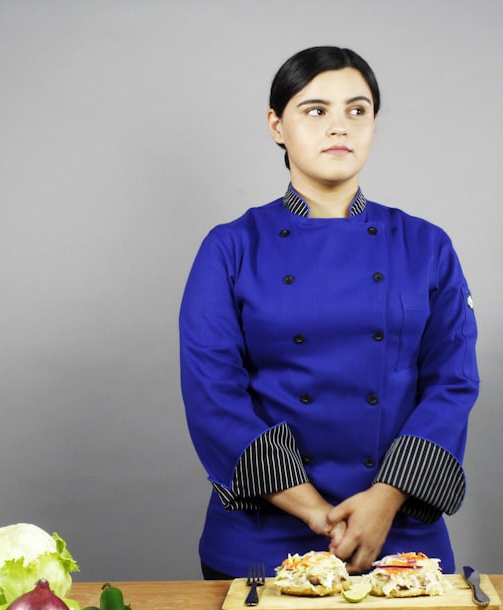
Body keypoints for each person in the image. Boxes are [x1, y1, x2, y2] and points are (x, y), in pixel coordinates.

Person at [179, 46, 479, 580]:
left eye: (356, 111)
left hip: (400, 534)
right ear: (277, 125)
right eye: (315, 110)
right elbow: (213, 396)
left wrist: (382, 502)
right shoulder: (229, 248)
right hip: (261, 539)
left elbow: (452, 385)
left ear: (373, 125)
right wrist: (319, 514)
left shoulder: (426, 245)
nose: (339, 127)